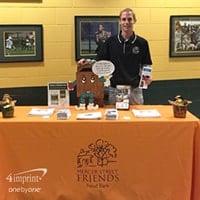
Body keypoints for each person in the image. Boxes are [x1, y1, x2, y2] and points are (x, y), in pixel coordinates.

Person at [78, 8, 152, 105]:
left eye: (129, 19)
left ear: (134, 21)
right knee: (115, 118)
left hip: (135, 90)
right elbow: (100, 61)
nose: (127, 22)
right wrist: (86, 61)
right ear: (120, 21)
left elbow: (146, 63)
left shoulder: (142, 43)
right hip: (115, 90)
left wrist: (147, 77)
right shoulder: (110, 42)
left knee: (136, 119)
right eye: (124, 19)